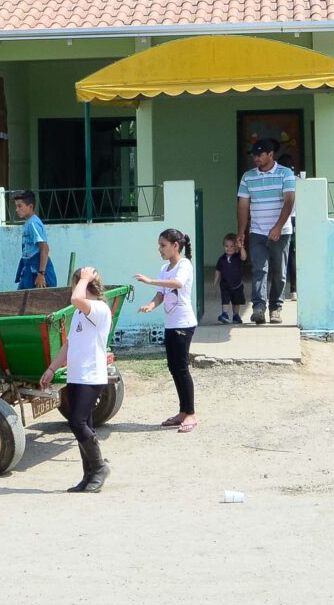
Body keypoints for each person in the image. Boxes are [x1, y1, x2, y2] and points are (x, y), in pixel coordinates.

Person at [40, 265, 114, 492]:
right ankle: (88, 475)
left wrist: (82, 278)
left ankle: (100, 468)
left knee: (77, 422)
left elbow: (75, 298)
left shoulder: (99, 309)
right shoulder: (80, 313)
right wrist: (52, 369)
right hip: (76, 376)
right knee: (85, 423)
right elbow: (69, 344)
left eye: (77, 283)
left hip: (92, 376)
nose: (74, 288)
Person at [132, 228, 198, 432]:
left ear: (175, 246)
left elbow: (177, 283)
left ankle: (191, 414)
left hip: (184, 324)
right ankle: (182, 412)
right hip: (171, 324)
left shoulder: (184, 264)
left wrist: (150, 280)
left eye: (163, 245)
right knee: (173, 367)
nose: (159, 249)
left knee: (181, 368)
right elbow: (161, 294)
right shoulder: (164, 268)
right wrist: (150, 305)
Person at [236, 138, 298, 325]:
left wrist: (278, 227)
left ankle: (276, 308)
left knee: (279, 272)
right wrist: (241, 232)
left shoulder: (285, 173)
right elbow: (243, 205)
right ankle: (258, 307)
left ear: (270, 155)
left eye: (259, 154)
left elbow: (289, 201)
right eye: (254, 155)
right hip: (257, 232)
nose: (255, 158)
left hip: (282, 231)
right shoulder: (248, 177)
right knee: (259, 270)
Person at [11, 190, 54, 289]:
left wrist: (41, 274)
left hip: (35, 271)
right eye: (16, 206)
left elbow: (44, 248)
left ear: (30, 207)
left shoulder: (33, 224)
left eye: (20, 206)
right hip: (29, 269)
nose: (17, 210)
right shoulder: (29, 223)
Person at [214, 232, 249, 325]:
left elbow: (244, 257)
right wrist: (215, 281)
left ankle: (236, 315)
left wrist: (241, 248)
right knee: (225, 300)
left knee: (236, 301)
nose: (229, 248)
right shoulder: (221, 259)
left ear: (236, 247)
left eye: (232, 246)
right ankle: (224, 314)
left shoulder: (238, 257)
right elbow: (218, 270)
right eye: (226, 246)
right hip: (225, 284)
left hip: (237, 285)